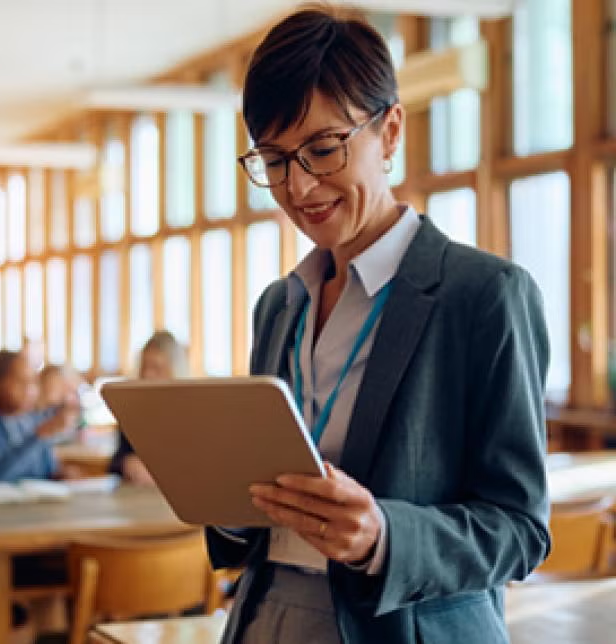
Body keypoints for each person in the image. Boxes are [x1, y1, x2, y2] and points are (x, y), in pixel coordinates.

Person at [207, 7, 550, 644]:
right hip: (266, 619)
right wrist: (226, 506)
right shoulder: (278, 306)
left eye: (323, 148)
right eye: (275, 158)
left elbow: (521, 530)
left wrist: (383, 537)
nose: (299, 185)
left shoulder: (485, 296)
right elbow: (254, 525)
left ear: (390, 132)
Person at [0, 350, 79, 484]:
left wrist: (61, 474)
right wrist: (38, 437)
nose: (30, 390)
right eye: (20, 382)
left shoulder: (34, 420)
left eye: (33, 382)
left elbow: (46, 471)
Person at [108, 330, 188, 486]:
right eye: (144, 367)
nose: (148, 375)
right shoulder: (132, 412)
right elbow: (114, 463)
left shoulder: (190, 414)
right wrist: (126, 463)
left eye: (156, 368)